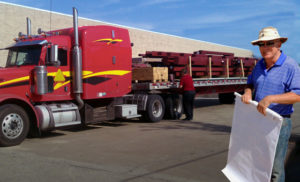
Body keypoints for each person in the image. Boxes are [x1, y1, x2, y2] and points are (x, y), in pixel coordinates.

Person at [241, 26, 300, 182]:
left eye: (270, 43)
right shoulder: (259, 65)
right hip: (259, 120)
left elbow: (297, 95)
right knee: (258, 163)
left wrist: (271, 98)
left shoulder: (290, 66)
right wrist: (247, 91)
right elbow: (250, 83)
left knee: (275, 169)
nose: (265, 47)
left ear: (279, 44)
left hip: (279, 122)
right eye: (262, 44)